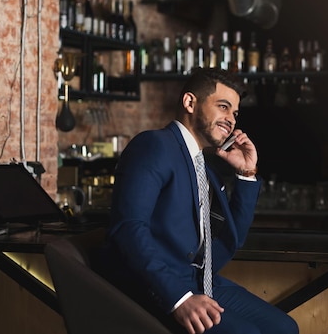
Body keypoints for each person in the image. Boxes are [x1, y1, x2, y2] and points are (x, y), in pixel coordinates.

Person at [99, 67, 299, 334]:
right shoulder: (154, 145)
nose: (231, 120)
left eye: (235, 113)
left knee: (284, 328)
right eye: (224, 107)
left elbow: (232, 238)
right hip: (156, 286)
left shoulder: (206, 165)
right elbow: (128, 228)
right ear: (190, 102)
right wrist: (179, 298)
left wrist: (246, 173)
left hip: (201, 282)